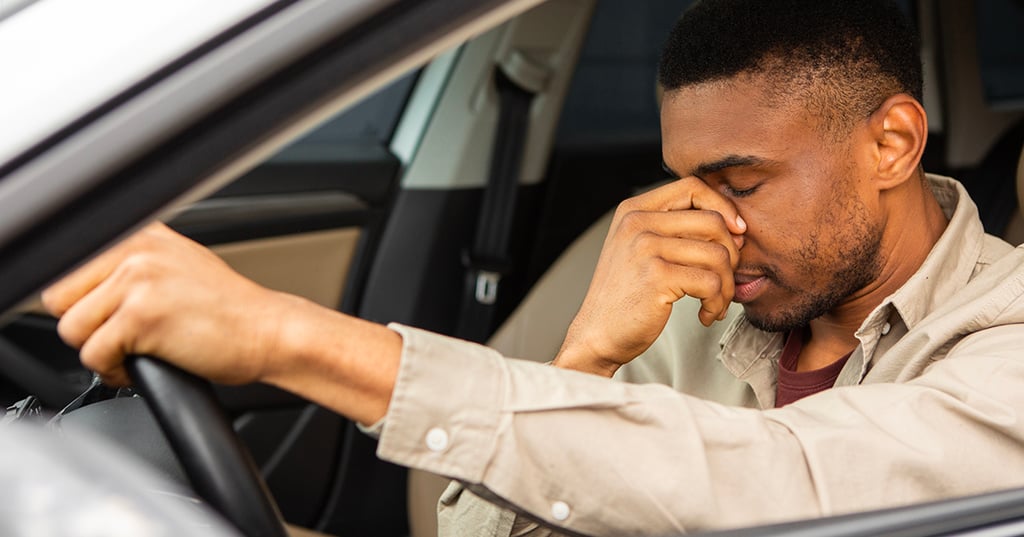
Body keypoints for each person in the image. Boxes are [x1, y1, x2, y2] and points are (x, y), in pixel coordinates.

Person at [39, 0, 1024, 535]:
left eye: (742, 180)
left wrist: (283, 335)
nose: (705, 220)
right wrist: (587, 354)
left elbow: (780, 481)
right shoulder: (693, 286)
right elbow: (476, 532)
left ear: (890, 144)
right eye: (684, 178)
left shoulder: (1008, 339)